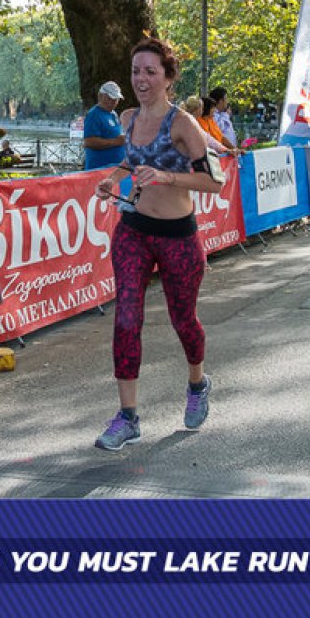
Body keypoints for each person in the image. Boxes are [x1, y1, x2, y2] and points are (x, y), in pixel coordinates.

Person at [92, 37, 222, 451]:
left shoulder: (183, 124)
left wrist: (167, 177)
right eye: (136, 71)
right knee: (126, 319)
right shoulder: (128, 117)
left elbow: (214, 182)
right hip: (133, 231)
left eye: (150, 71)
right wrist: (113, 179)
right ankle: (128, 417)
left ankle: (198, 383)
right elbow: (131, 160)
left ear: (168, 78)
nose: (141, 79)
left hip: (177, 237)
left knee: (184, 321)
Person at [83, 80, 126, 170]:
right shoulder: (93, 115)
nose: (113, 102)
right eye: (110, 98)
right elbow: (89, 142)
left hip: (115, 168)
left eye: (116, 99)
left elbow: (114, 135)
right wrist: (116, 141)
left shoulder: (113, 114)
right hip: (99, 168)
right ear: (100, 96)